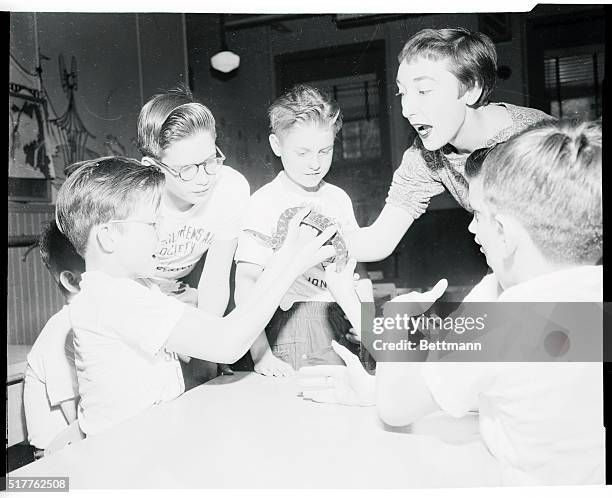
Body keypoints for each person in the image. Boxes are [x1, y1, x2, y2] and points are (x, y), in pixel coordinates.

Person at [299, 120, 604, 485]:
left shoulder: (504, 317)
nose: (472, 228)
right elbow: (480, 380)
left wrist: (397, 322)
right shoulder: (552, 300)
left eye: (478, 215)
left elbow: (397, 407)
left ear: (505, 233)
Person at [55, 156, 336, 436]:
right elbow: (227, 342)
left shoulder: (126, 290)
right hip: (129, 455)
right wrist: (292, 266)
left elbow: (222, 329)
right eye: (152, 224)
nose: (162, 233)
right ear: (109, 236)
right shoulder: (117, 298)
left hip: (142, 443)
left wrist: (285, 257)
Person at [344, 27, 550, 262]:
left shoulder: (537, 138)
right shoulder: (426, 155)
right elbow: (379, 241)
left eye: (423, 90)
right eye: (402, 93)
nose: (406, 110)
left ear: (472, 89)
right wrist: (312, 244)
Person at [234, 84, 371, 376]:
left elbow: (357, 270)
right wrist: (261, 355)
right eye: (303, 152)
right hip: (291, 326)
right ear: (276, 145)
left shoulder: (338, 198)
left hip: (341, 319)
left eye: (325, 150)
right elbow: (245, 287)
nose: (315, 163)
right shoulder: (263, 203)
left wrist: (365, 322)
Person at [138, 87, 250, 380]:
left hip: (182, 291)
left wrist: (207, 344)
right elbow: (119, 286)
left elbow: (215, 279)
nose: (204, 179)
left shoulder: (230, 188)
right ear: (153, 167)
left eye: (210, 160)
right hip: (134, 295)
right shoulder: (134, 198)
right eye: (187, 169)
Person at [23, 220, 84, 457]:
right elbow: (79, 424)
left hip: (77, 448)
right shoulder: (59, 334)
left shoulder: (93, 321)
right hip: (53, 462)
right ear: (72, 280)